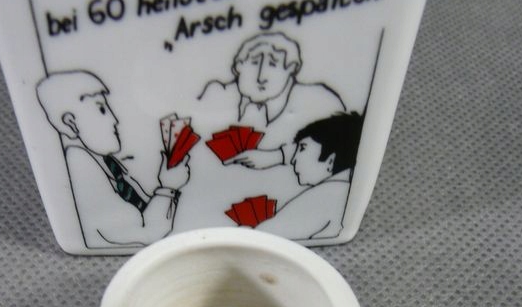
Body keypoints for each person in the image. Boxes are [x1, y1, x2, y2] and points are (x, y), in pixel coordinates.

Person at [37, 71, 190, 248]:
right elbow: (144, 231)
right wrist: (168, 187)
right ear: (71, 122)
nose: (114, 120)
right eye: (102, 109)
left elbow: (149, 216)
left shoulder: (109, 164)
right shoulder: (78, 164)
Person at [197, 32, 345, 170]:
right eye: (254, 62)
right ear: (238, 66)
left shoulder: (320, 100)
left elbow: (344, 145)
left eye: (273, 64)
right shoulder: (216, 95)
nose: (261, 77)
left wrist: (277, 156)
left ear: (292, 68)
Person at [257, 112, 363, 240]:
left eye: (302, 148)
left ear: (330, 160)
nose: (293, 160)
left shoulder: (326, 194)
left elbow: (262, 238)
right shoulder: (344, 189)